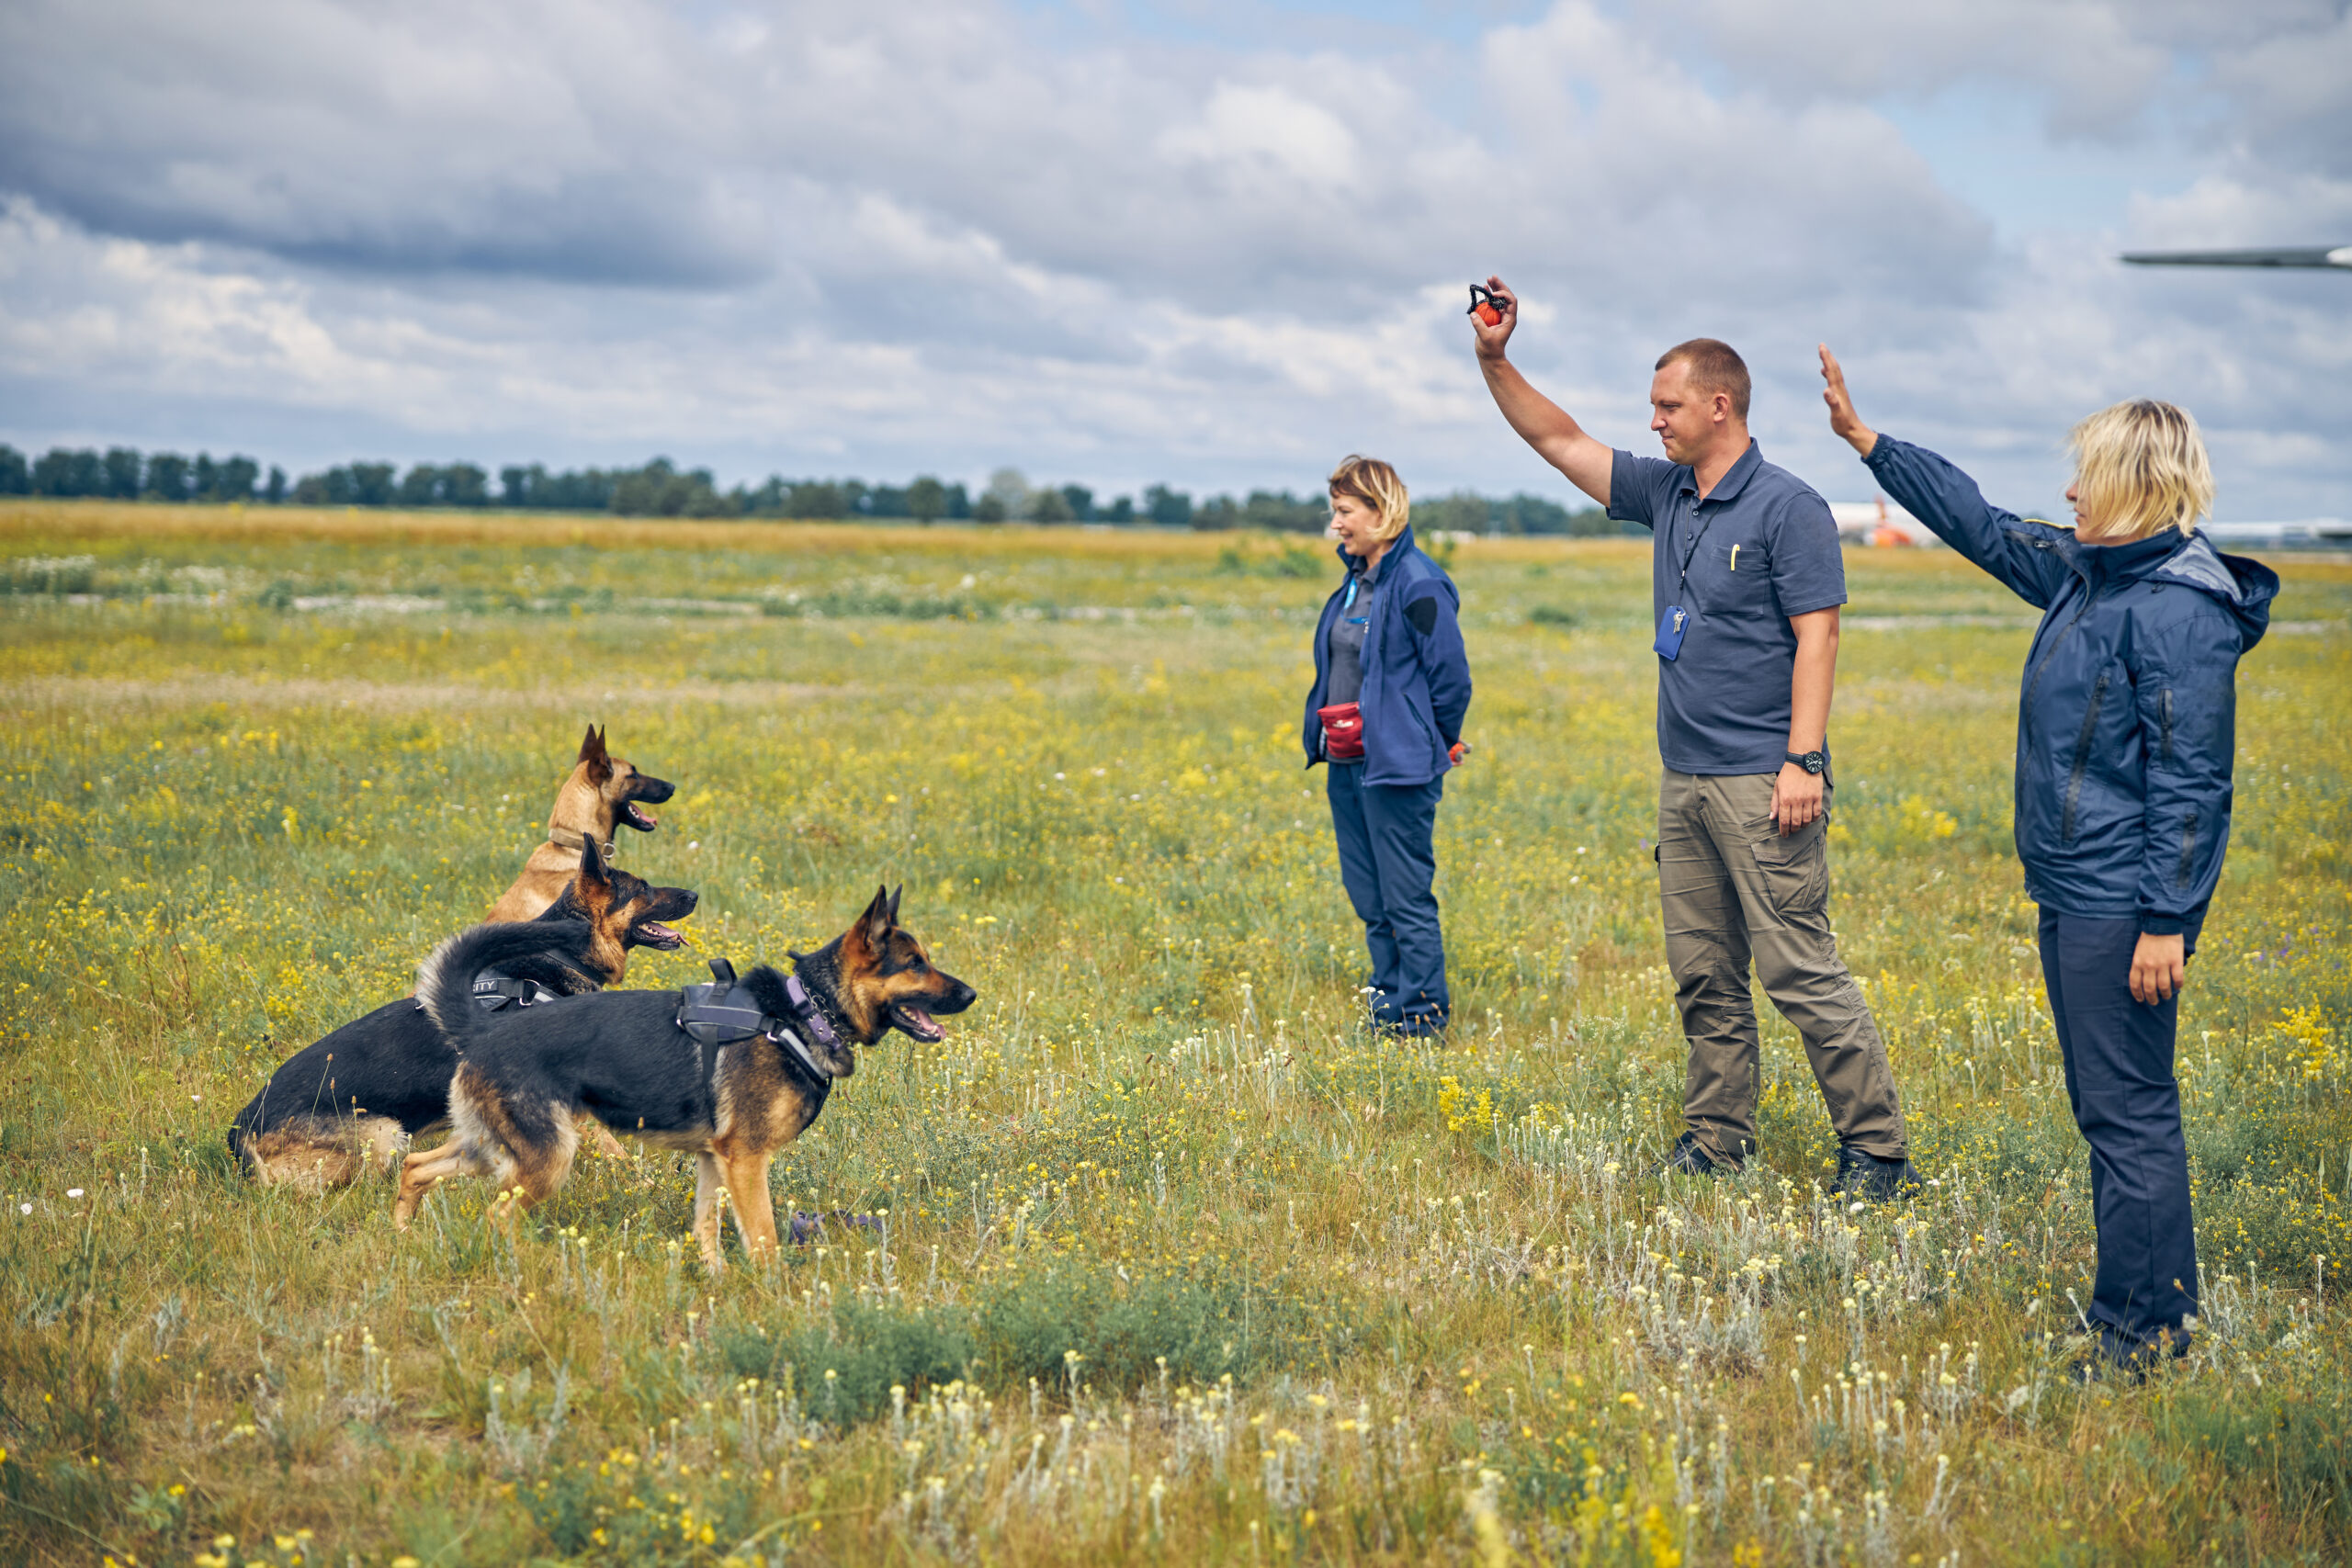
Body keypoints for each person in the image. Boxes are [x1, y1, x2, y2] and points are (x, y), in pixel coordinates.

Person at [1819, 349, 2277, 1367]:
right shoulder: (2089, 574)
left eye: (2087, 474)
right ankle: (2136, 1311)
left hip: (2123, 902)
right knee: (2106, 1105)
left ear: (2138, 487)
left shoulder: (2175, 609)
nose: (2067, 490)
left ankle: (2146, 1333)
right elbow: (1979, 523)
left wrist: (2166, 919)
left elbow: (2193, 785)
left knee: (2127, 1111)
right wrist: (1872, 446)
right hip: (2076, 888)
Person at [1470, 278, 1914, 1199]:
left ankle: (1876, 1153)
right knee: (1703, 975)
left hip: (1764, 779)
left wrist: (1803, 761)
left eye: (1667, 406)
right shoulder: (1667, 490)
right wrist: (1494, 359)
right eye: (1651, 408)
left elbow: (1818, 639)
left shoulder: (1788, 508)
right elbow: (1558, 441)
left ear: (1719, 406)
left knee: (1798, 969)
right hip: (1686, 782)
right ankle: (1716, 1138)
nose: (1654, 421)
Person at [1302, 456, 1471, 1036]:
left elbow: (1451, 678)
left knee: (1405, 899)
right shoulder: (1356, 581)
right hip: (1347, 762)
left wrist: (1435, 742)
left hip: (1397, 769)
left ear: (1381, 511)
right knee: (1369, 897)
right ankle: (1386, 1013)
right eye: (1335, 512)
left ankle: (1421, 1021)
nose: (1336, 525)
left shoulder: (1419, 582)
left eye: (1345, 512)